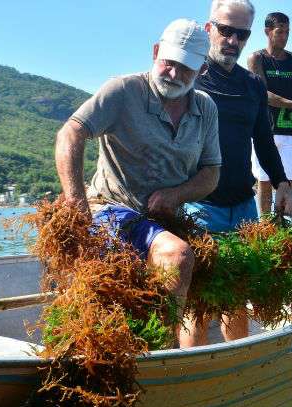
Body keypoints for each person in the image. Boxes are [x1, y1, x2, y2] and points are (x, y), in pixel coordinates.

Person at [54, 19, 221, 348]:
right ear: (156, 51)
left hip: (164, 218)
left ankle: (173, 346)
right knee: (177, 255)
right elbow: (70, 132)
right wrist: (76, 204)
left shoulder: (205, 108)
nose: (172, 74)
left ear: (201, 70)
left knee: (213, 266)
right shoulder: (124, 91)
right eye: (168, 62)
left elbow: (211, 173)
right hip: (112, 210)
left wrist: (177, 194)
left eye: (184, 69)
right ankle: (162, 349)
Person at [187, 0, 292, 343]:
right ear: (209, 29)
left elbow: (263, 140)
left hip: (244, 207)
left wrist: (282, 183)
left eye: (242, 34)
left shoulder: (252, 85)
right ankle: (192, 377)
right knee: (198, 302)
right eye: (225, 30)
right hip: (198, 206)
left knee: (236, 297)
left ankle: (236, 369)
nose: (232, 40)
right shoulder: (189, 79)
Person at [247, 12, 292, 214]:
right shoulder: (256, 58)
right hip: (265, 130)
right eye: (280, 32)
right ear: (267, 32)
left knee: (287, 184)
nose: (285, 36)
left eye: (287, 32)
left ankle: (282, 229)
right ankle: (265, 227)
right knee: (265, 183)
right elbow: (263, 94)